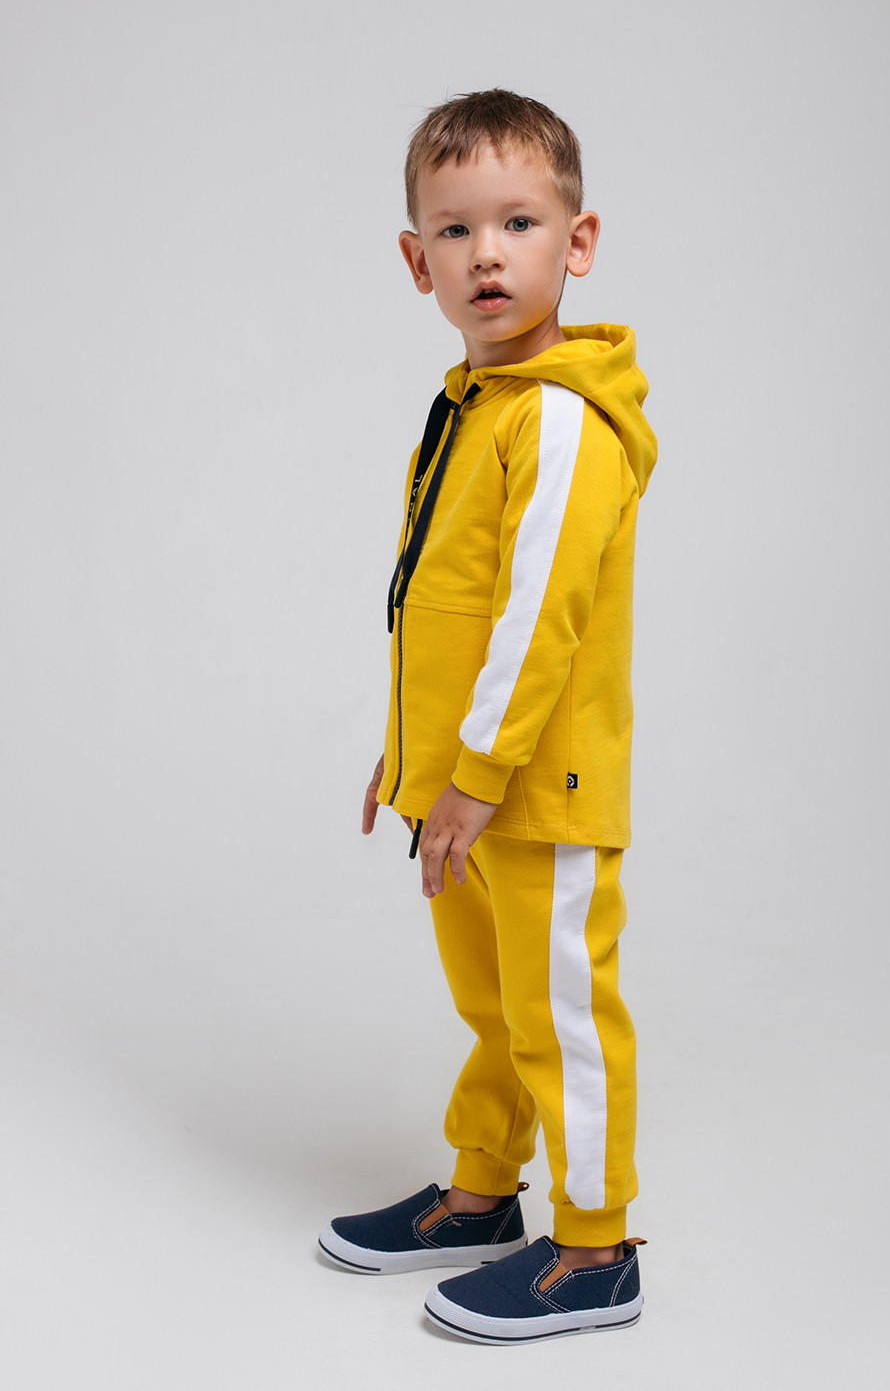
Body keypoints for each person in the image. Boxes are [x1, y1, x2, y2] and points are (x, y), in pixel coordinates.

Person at [319, 89, 657, 1343]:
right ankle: (479, 1195)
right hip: (461, 783)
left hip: (534, 786)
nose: (487, 255)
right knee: (495, 1010)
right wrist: (414, 755)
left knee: (561, 1015)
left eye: (519, 222)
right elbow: (446, 605)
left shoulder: (561, 417)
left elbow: (536, 621)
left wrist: (475, 770)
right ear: (420, 263)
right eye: (456, 232)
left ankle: (595, 1249)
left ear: (578, 242)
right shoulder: (473, 403)